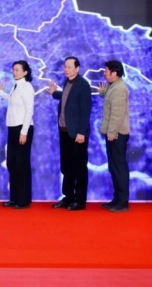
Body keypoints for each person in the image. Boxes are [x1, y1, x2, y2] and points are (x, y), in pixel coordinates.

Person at [48, 56, 92, 211]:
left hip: (77, 134)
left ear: (77, 68)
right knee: (66, 167)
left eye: (69, 67)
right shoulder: (67, 82)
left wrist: (81, 132)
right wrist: (55, 93)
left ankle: (79, 201)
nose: (66, 69)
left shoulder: (83, 85)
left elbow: (85, 110)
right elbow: (68, 99)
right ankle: (68, 197)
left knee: (79, 168)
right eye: (65, 66)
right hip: (64, 132)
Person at [0, 60, 35, 209]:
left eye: (17, 70)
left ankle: (23, 200)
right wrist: (0, 93)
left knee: (21, 164)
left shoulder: (27, 87)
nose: (14, 72)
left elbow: (29, 110)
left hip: (22, 128)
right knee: (12, 163)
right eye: (13, 69)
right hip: (12, 128)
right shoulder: (16, 86)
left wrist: (24, 132)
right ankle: (14, 198)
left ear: (25, 72)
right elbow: (12, 100)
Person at [98, 60, 131, 212]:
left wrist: (111, 133)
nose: (104, 73)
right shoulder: (114, 86)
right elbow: (109, 99)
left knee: (119, 167)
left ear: (114, 73)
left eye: (106, 71)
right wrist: (102, 92)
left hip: (117, 134)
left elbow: (117, 115)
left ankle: (122, 202)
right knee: (114, 167)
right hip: (113, 133)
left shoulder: (119, 89)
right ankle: (117, 199)